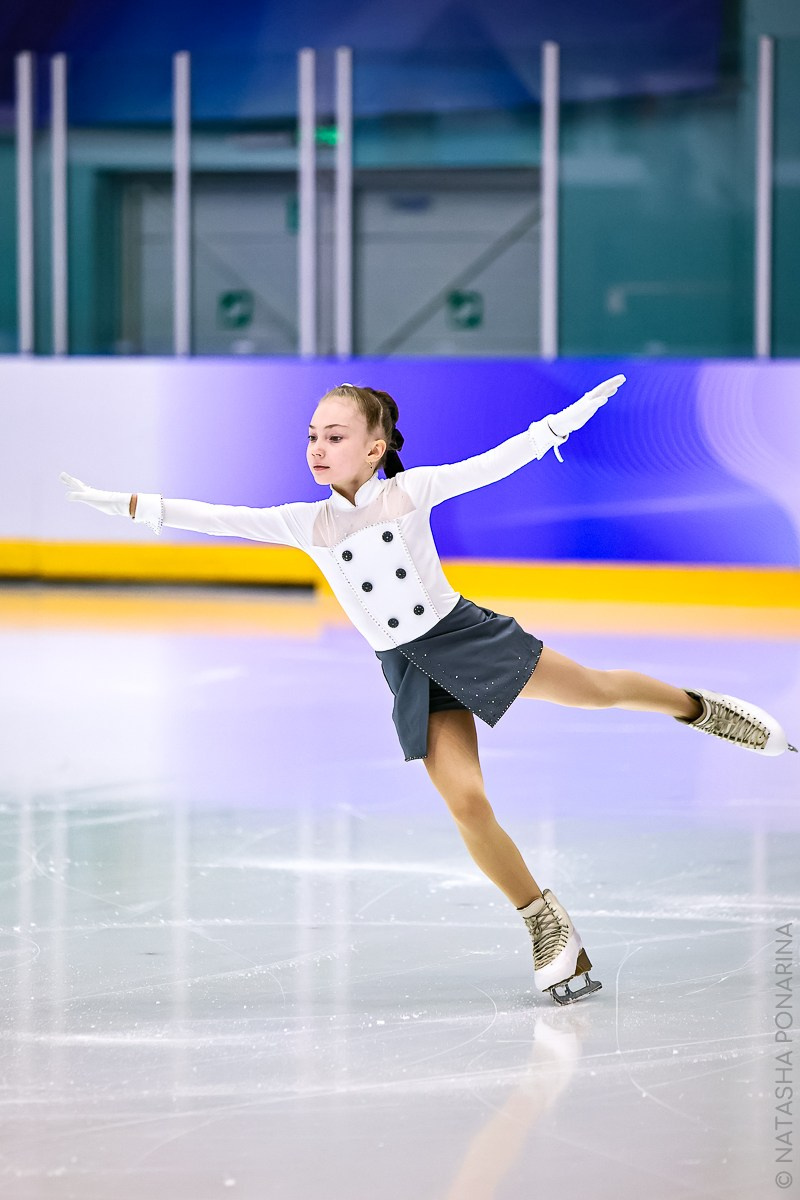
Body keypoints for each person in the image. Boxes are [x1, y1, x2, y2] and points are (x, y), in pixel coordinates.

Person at [59, 377, 797, 1005]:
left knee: (599, 691)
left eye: (336, 436)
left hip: (465, 636)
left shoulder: (411, 494)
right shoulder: (305, 523)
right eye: (312, 435)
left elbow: (497, 463)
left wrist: (561, 424)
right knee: (467, 802)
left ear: (375, 448)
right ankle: (545, 923)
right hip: (408, 668)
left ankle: (702, 709)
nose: (318, 447)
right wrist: (129, 504)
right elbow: (217, 518)